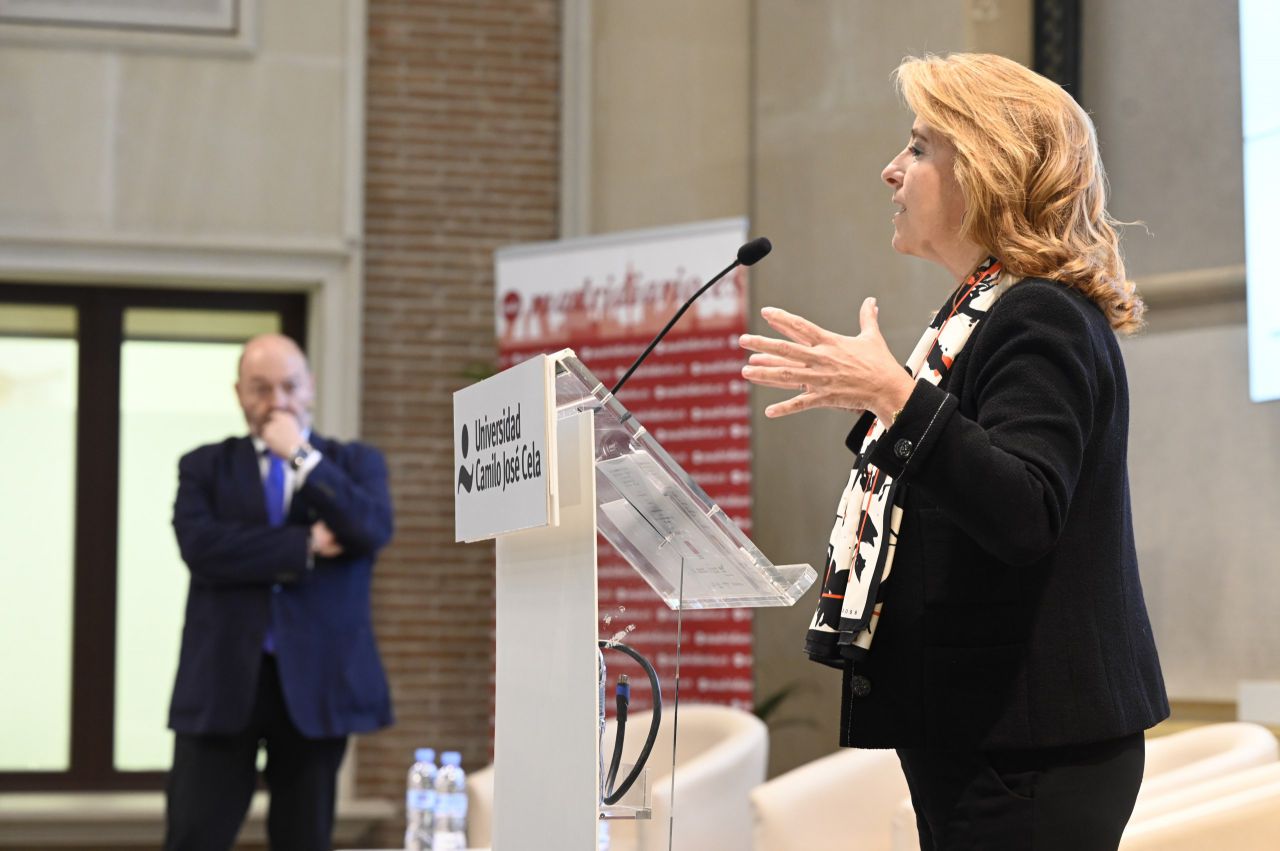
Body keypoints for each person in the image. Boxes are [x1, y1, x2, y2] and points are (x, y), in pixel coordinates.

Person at [739, 53, 1169, 849]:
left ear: (988, 170)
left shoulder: (1039, 316)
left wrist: (896, 399)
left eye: (918, 147)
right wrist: (889, 399)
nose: (890, 170)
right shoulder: (977, 315)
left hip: (1032, 748)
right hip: (993, 734)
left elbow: (1023, 507)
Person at [164, 333, 394, 851]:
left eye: (289, 385)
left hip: (317, 683)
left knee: (304, 838)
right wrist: (305, 544)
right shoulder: (204, 467)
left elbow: (371, 529)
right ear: (239, 393)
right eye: (260, 388)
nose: (277, 401)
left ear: (309, 387)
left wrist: (303, 458)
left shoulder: (355, 465)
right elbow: (203, 548)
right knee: (194, 835)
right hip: (222, 680)